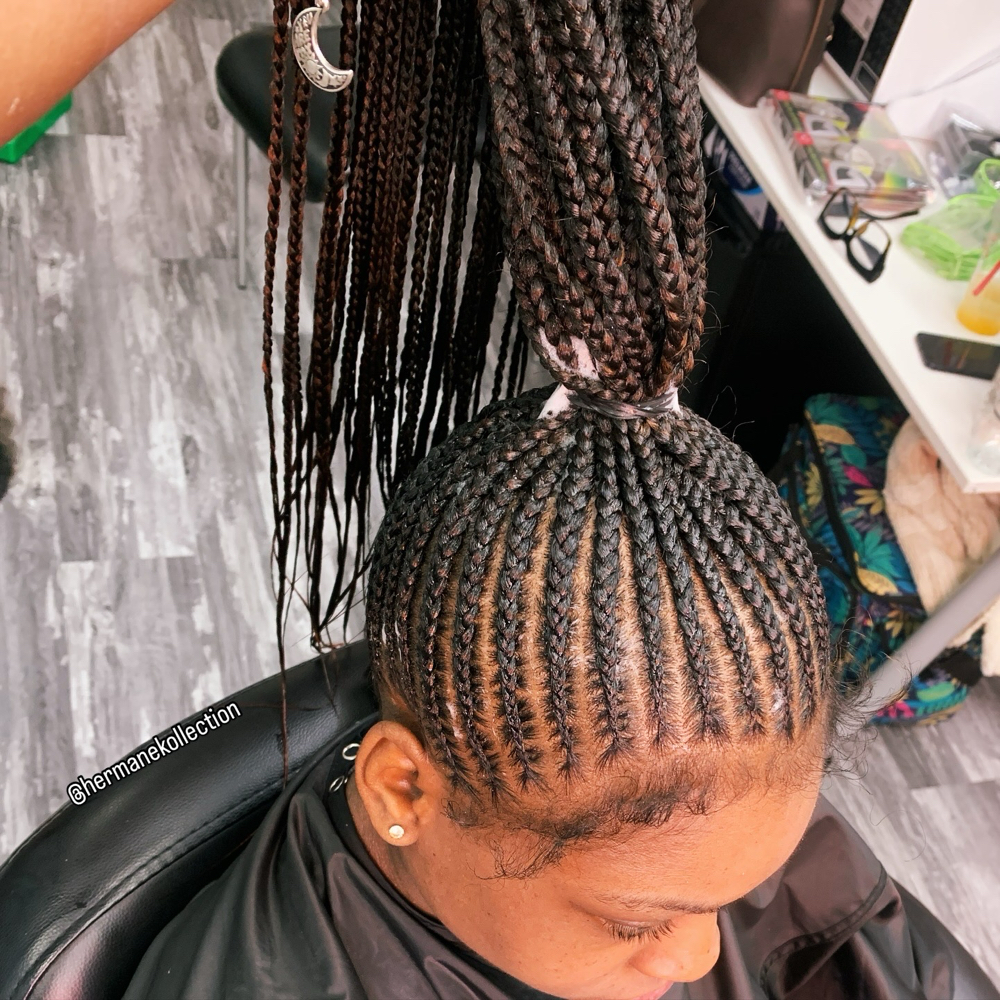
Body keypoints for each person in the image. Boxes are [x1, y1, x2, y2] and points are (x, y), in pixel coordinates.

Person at [122, 0, 998, 997]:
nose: (700, 957)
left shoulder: (685, 800)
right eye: (639, 923)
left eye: (729, 895)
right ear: (402, 788)